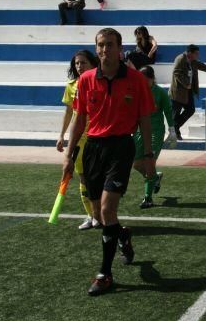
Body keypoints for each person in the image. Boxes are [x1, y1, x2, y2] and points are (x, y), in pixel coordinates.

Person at [62, 27, 155, 296]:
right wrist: (69, 155)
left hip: (121, 147)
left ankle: (104, 273)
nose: (105, 50)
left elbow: (145, 119)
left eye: (109, 45)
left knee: (106, 209)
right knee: (101, 216)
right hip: (92, 148)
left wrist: (148, 156)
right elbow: (79, 119)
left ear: (119, 47)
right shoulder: (87, 80)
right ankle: (123, 235)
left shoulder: (135, 80)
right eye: (100, 45)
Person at [56, 49, 101, 230]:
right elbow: (69, 112)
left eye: (83, 63)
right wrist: (61, 135)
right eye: (77, 63)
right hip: (80, 140)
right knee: (83, 178)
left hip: (98, 137)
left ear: (92, 64)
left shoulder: (99, 82)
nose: (79, 66)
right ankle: (91, 215)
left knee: (98, 179)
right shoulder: (71, 85)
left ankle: (100, 214)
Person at [135, 66, 177, 208]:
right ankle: (155, 177)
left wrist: (172, 130)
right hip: (139, 132)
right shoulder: (136, 91)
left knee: (149, 162)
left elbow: (167, 111)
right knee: (136, 164)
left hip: (155, 132)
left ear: (152, 78)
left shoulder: (160, 93)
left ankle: (148, 198)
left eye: (144, 79)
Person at [169, 44, 206, 140]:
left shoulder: (192, 61)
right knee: (176, 113)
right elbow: (176, 73)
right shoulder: (180, 59)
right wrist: (186, 83)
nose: (198, 55)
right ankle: (175, 132)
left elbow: (201, 66)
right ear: (189, 53)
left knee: (191, 110)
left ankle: (175, 127)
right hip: (178, 92)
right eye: (196, 53)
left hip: (188, 91)